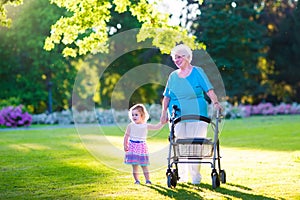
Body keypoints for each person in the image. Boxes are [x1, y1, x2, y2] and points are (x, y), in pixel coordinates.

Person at [160, 44, 223, 184]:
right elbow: (167, 97)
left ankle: (195, 176)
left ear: (187, 57)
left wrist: (216, 103)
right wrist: (164, 112)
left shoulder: (198, 72)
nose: (176, 60)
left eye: (179, 57)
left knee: (195, 144)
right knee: (180, 145)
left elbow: (209, 89)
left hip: (198, 113)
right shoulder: (173, 76)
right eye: (174, 58)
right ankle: (181, 176)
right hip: (177, 115)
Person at [124, 104, 165, 185]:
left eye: (136, 115)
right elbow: (126, 135)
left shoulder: (145, 125)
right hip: (132, 146)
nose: (134, 116)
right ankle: (137, 180)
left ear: (142, 116)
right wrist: (125, 144)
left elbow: (156, 127)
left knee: (144, 165)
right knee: (135, 166)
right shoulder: (130, 126)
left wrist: (163, 123)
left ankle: (148, 180)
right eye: (132, 115)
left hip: (142, 147)